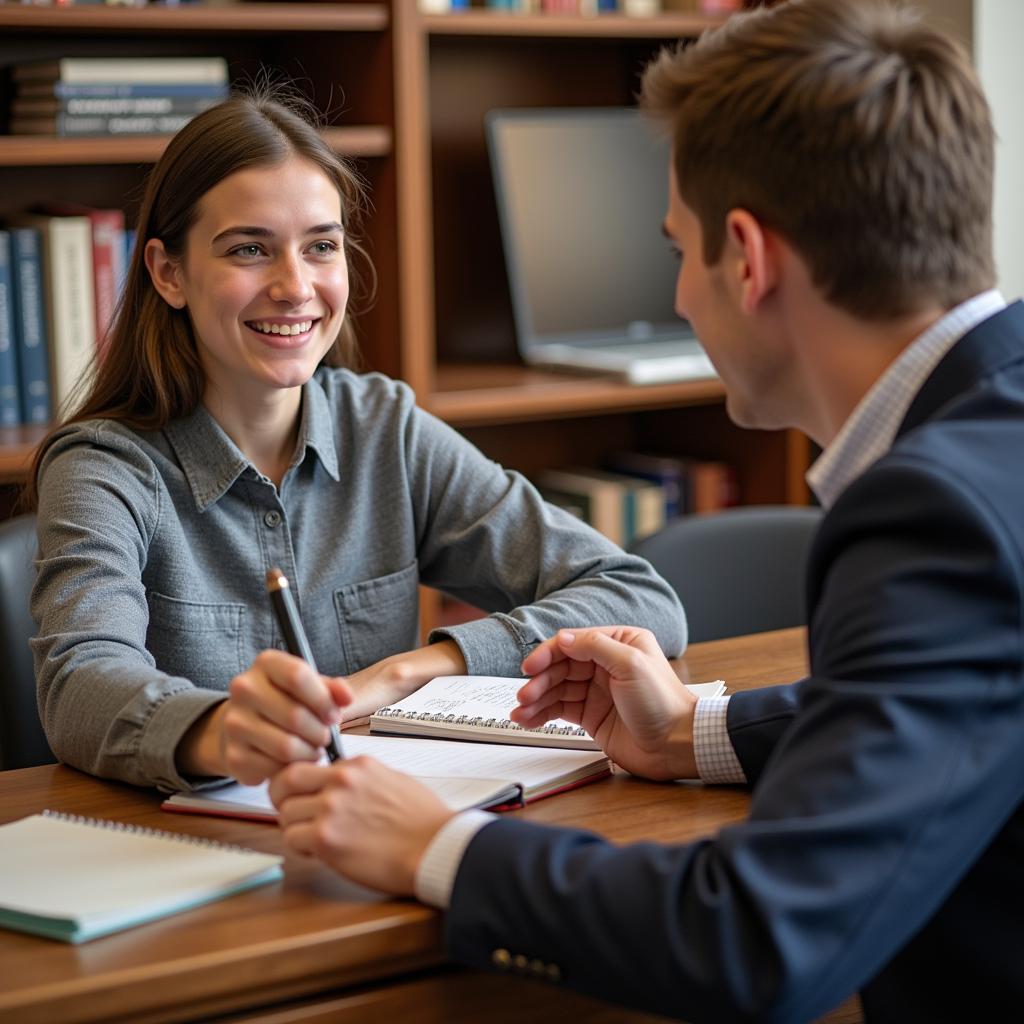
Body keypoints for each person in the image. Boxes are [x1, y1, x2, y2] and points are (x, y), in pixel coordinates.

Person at [268, 1, 1024, 1020]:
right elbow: (962, 703)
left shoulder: (929, 510)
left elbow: (756, 938)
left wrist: (440, 844)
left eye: (677, 249)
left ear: (747, 259)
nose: (676, 298)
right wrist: (691, 733)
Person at [28, 91, 685, 795]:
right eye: (249, 249)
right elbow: (79, 683)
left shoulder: (385, 430)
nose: (295, 287)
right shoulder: (104, 468)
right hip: (187, 860)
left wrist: (408, 673)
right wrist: (223, 730)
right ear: (169, 273)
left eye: (320, 247)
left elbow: (639, 597)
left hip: (373, 830)